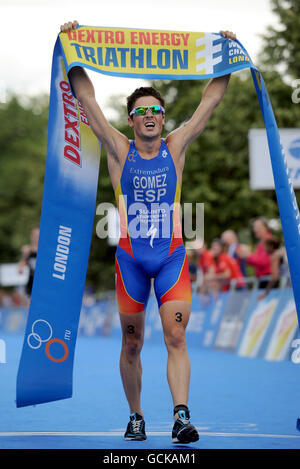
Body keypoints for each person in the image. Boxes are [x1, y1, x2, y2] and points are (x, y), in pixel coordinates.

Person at [60, 20, 236, 444]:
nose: (151, 116)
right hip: (131, 260)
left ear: (162, 116)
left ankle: (180, 416)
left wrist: (228, 58)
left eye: (156, 110)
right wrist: (72, 48)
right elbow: (86, 99)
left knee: (176, 334)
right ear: (132, 118)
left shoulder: (176, 146)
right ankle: (136, 415)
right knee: (133, 344)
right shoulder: (119, 148)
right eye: (142, 111)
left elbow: (209, 103)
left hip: (172, 255)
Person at [239, 217, 272, 288]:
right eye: (254, 227)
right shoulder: (261, 243)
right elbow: (257, 260)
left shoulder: (269, 241)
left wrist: (248, 255)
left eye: (258, 227)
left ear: (266, 228)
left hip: (268, 280)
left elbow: (262, 262)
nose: (255, 229)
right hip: (263, 279)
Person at [257, 236, 287, 300]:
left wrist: (266, 292)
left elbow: (275, 277)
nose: (264, 249)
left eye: (265, 246)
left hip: (291, 282)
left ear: (271, 246)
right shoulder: (283, 251)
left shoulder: (274, 256)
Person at [18, 226, 40, 307]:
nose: (36, 238)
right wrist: (21, 267)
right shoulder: (27, 250)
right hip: (32, 280)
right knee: (30, 305)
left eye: (38, 236)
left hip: (42, 280)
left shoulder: (44, 250)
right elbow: (23, 264)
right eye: (34, 236)